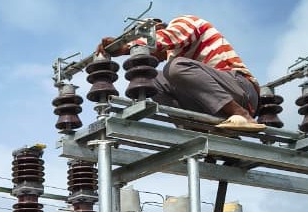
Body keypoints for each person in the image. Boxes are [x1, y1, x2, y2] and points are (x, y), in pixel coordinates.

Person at [101, 16, 264, 131]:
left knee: (174, 68)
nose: (147, 56)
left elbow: (167, 37)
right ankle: (197, 131)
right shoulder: (175, 57)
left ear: (155, 30)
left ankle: (241, 115)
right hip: (211, 102)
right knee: (154, 79)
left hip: (242, 91)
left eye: (144, 50)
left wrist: (126, 47)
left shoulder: (184, 22)